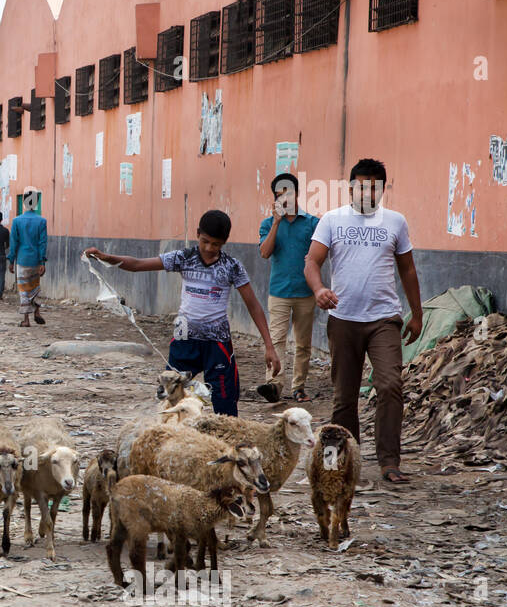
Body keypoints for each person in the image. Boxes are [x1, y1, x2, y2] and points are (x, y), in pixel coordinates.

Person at [84, 209, 282, 416]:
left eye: (216, 244)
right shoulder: (184, 258)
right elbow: (138, 264)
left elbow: (253, 305)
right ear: (197, 233)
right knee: (171, 396)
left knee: (226, 401)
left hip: (218, 343)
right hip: (184, 337)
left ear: (224, 242)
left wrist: (269, 346)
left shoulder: (232, 267)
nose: (209, 248)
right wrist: (106, 258)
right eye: (205, 241)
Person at [305, 158, 422, 485]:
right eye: (361, 185)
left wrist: (417, 314)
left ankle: (389, 461)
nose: (367, 191)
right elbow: (312, 261)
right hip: (343, 319)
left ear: (382, 189)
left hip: (384, 319)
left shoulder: (396, 222)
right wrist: (319, 289)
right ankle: (342, 460)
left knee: (389, 385)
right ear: (351, 187)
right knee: (344, 396)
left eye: (374, 185)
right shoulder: (332, 219)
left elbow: (408, 269)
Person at [259, 173, 320, 404]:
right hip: (279, 292)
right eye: (279, 195)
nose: (285, 198)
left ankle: (299, 387)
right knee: (276, 341)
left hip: (306, 293)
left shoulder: (313, 223)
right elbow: (264, 253)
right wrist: (276, 222)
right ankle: (274, 385)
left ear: (297, 194)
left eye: (289, 193)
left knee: (303, 343)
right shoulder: (267, 223)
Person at [7, 194, 49, 327]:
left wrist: (11, 260)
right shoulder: (42, 221)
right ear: (35, 204)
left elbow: (14, 243)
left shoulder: (17, 221)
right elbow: (43, 242)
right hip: (36, 259)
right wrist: (42, 262)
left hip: (22, 259)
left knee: (24, 289)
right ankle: (37, 311)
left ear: (24, 203)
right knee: (34, 287)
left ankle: (26, 319)